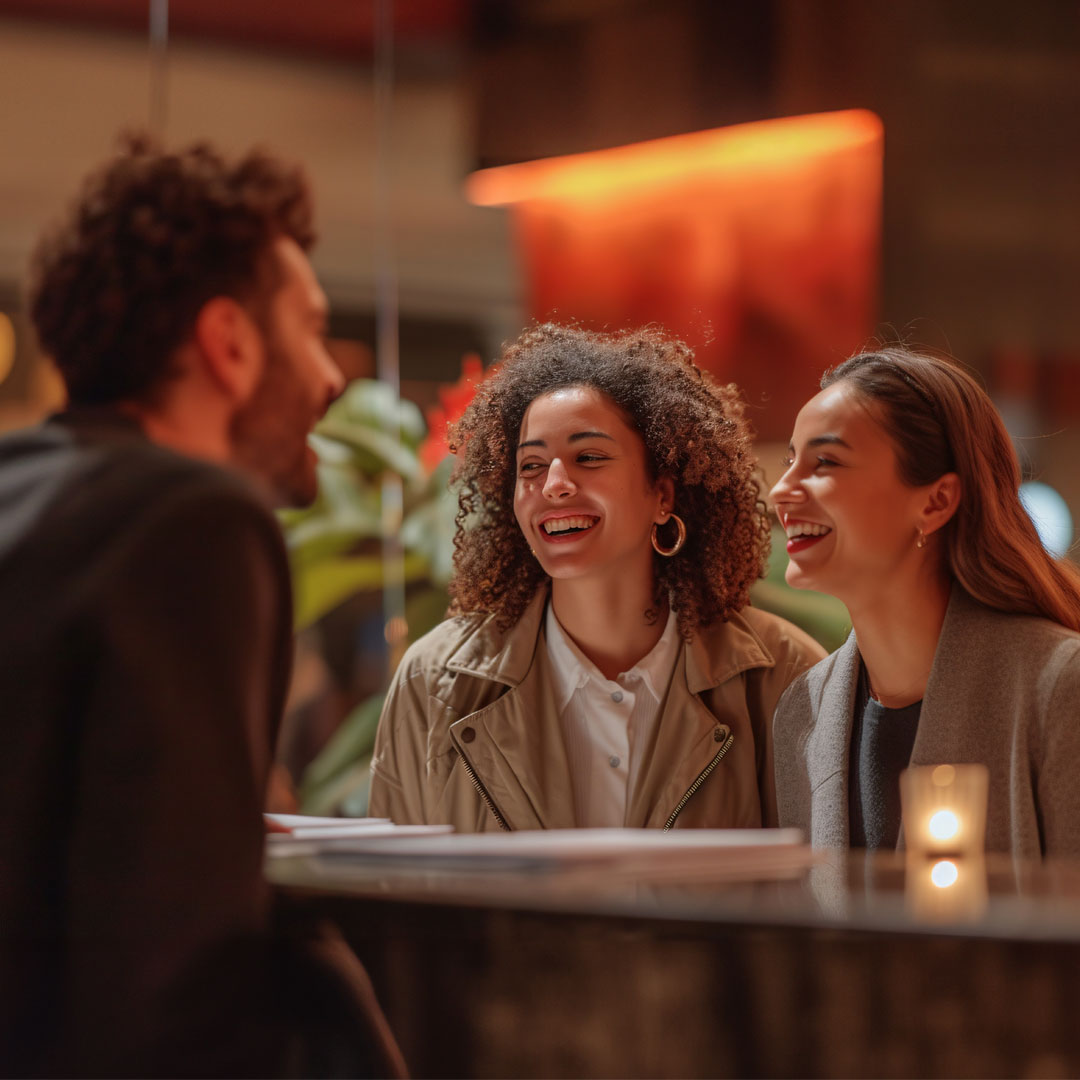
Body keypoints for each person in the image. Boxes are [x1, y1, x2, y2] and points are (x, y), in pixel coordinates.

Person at [0, 135, 403, 1076]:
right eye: (308, 328)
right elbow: (166, 962)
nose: (330, 376)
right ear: (228, 344)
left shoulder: (18, 486)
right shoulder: (196, 520)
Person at [369, 323, 824, 831]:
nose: (555, 485)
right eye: (532, 465)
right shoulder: (432, 681)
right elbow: (392, 895)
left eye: (589, 457)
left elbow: (821, 888)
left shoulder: (785, 678)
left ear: (663, 496)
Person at [770, 345, 1080, 857]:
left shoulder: (1060, 689)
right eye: (790, 461)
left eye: (825, 461)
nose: (783, 489)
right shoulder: (801, 713)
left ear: (935, 501)